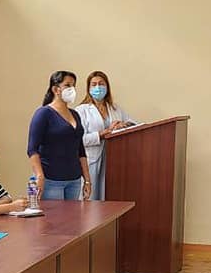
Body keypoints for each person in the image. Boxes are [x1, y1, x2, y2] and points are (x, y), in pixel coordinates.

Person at [27, 70, 93, 201]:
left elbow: (80, 150)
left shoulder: (75, 114)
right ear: (56, 89)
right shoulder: (43, 113)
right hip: (51, 180)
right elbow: (32, 149)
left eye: (73, 85)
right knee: (54, 214)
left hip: (74, 179)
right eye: (67, 85)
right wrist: (40, 176)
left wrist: (87, 179)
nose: (72, 89)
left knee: (72, 214)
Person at [76, 71, 136, 200]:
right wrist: (102, 134)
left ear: (107, 87)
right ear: (88, 88)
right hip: (91, 160)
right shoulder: (82, 110)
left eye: (101, 84)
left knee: (108, 197)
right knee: (90, 199)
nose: (98, 87)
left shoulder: (114, 108)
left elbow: (133, 123)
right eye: (94, 84)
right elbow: (79, 140)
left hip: (112, 159)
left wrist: (123, 125)